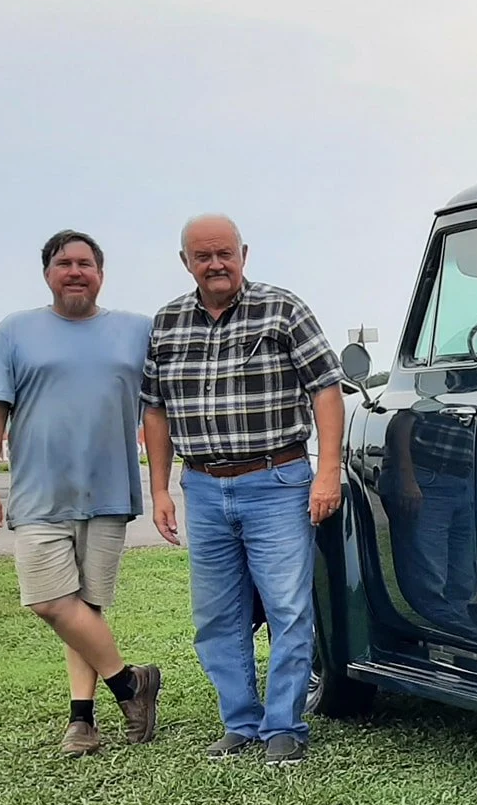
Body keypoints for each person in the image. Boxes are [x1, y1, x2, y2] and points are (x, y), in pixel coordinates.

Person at [141, 214, 344, 767]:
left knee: (287, 607)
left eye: (225, 253)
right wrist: (160, 489)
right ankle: (240, 722)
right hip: (203, 486)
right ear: (186, 262)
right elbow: (154, 410)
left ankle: (284, 726)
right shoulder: (166, 323)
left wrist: (328, 471)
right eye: (203, 256)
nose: (216, 264)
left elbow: (326, 389)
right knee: (217, 616)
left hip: (276, 481)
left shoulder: (282, 309)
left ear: (244, 254)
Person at [0, 230, 162, 755]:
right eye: (63, 263)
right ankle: (130, 684)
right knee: (51, 601)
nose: (74, 271)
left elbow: (164, 402)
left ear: (101, 273)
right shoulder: (16, 331)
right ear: (47, 272)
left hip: (109, 490)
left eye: (85, 263)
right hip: (38, 494)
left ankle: (82, 719)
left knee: (87, 607)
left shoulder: (137, 331)